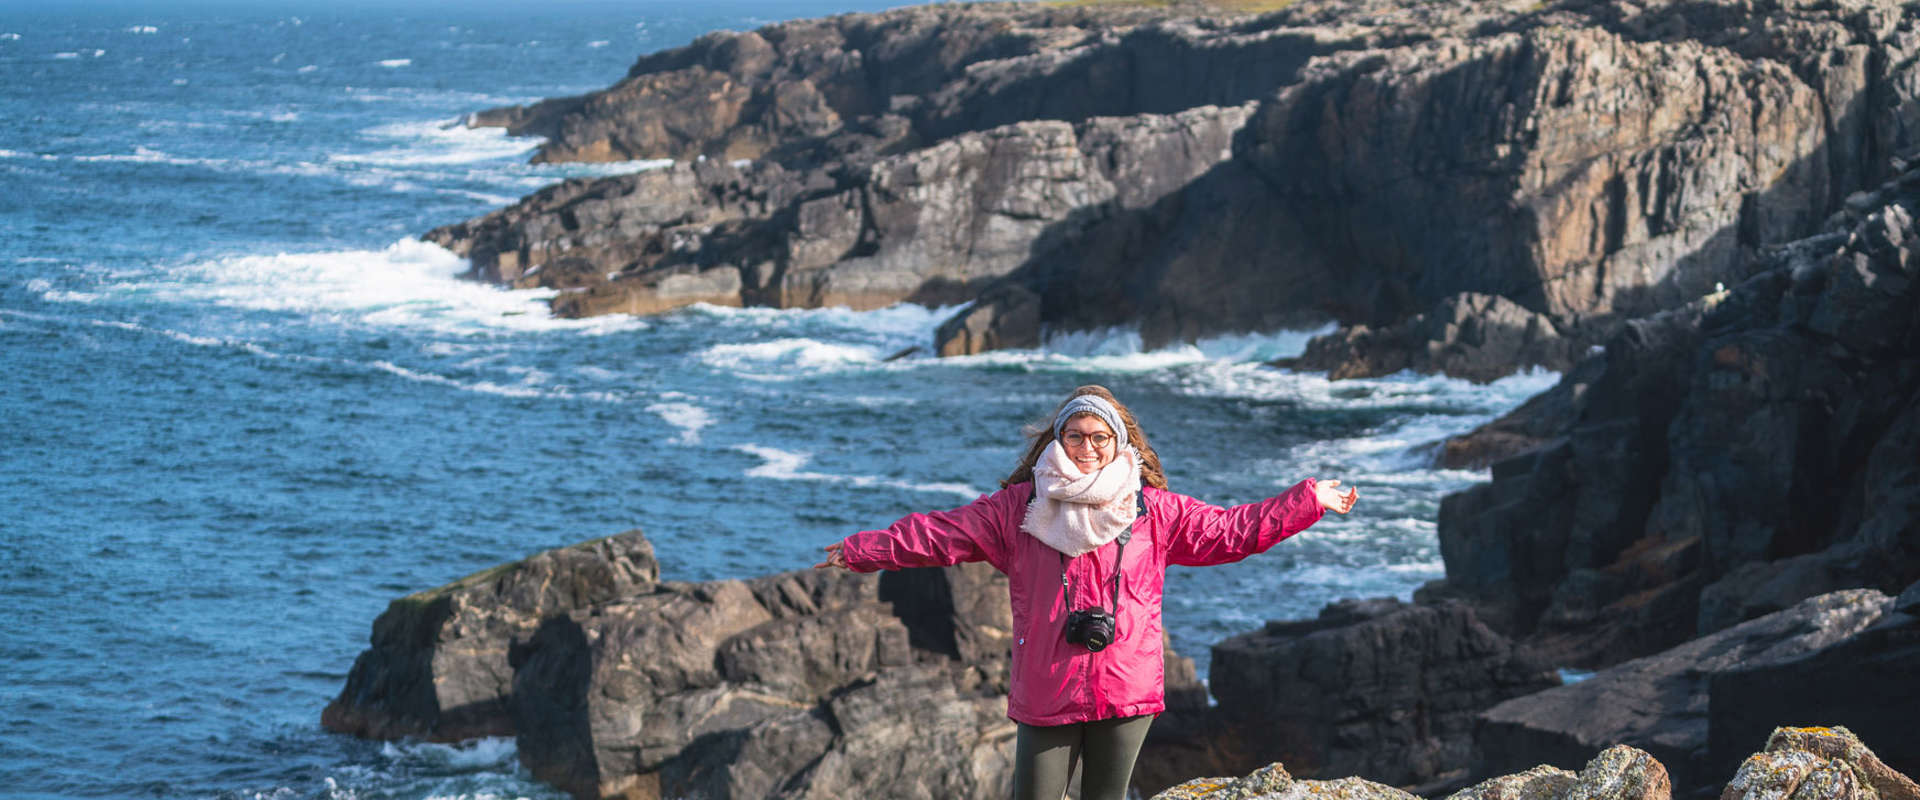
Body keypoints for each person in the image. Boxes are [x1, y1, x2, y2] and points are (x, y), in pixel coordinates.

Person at [814, 385, 1358, 800]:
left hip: (1126, 685)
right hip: (1047, 686)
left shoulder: (1154, 512)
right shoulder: (1019, 509)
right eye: (1075, 436)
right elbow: (940, 534)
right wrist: (864, 550)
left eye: (1100, 437)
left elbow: (1234, 531)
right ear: (1058, 439)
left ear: (1118, 443)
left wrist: (1307, 499)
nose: (1088, 448)